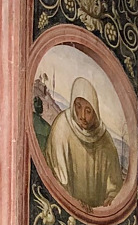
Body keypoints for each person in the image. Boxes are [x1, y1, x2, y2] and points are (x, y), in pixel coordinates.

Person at [44, 78, 123, 210]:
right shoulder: (62, 126)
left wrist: (111, 196)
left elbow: (114, 182)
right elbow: (59, 176)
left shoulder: (104, 138)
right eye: (78, 107)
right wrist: (76, 204)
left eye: (88, 111)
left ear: (95, 111)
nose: (82, 116)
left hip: (97, 212)